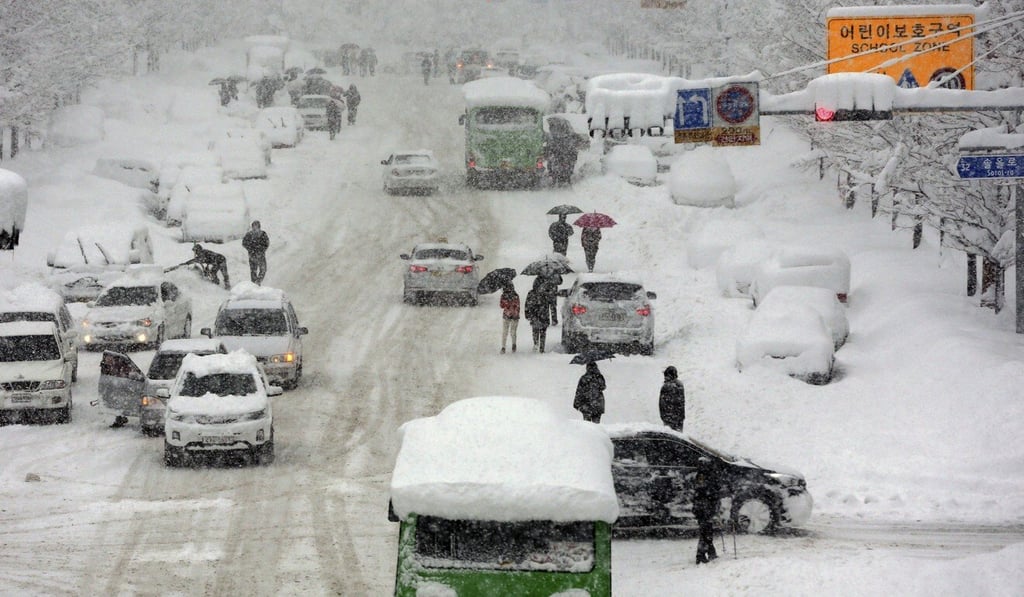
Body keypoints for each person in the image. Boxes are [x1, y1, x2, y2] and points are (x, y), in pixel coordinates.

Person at [693, 457, 721, 564]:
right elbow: (705, 491)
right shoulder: (703, 476)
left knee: (706, 530)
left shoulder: (704, 476)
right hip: (704, 508)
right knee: (706, 531)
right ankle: (700, 555)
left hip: (703, 507)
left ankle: (710, 552)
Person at [524, 279, 549, 353]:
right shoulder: (544, 293)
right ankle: (541, 347)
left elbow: (527, 304)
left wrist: (527, 314)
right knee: (543, 332)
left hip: (534, 315)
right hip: (543, 315)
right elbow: (547, 306)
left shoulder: (531, 293)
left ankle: (536, 344)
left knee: (535, 330)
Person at [241, 220, 270, 285]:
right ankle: (256, 283)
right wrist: (261, 250)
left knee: (254, 271)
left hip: (253, 255)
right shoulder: (262, 234)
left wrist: (250, 249)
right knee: (261, 270)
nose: (254, 228)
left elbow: (244, 243)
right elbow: (267, 243)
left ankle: (255, 283)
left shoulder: (250, 234)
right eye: (254, 226)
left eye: (255, 226)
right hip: (258, 255)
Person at [659, 365, 686, 432]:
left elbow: (662, 404)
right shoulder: (680, 385)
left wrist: (664, 417)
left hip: (669, 418)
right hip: (679, 418)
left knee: (670, 435)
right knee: (678, 435)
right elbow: (681, 402)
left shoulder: (666, 386)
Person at [499, 284, 520, 354]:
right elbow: (517, 306)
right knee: (510, 332)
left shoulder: (506, 296)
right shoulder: (515, 295)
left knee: (508, 332)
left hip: (509, 315)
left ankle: (505, 346)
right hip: (512, 315)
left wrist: (507, 304)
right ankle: (510, 345)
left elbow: (501, 306)